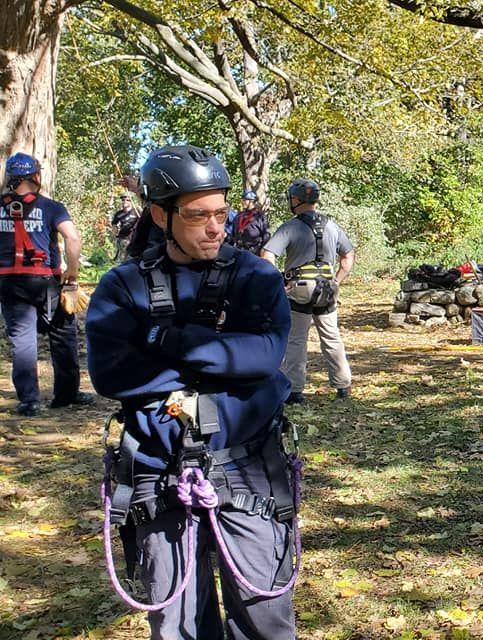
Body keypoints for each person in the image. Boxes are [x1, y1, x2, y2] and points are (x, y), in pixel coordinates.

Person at [86, 144, 298, 638]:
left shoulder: (255, 277)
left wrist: (166, 340)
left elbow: (265, 357)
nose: (215, 227)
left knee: (265, 618)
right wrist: (223, 354)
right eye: (198, 215)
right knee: (177, 623)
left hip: (248, 469)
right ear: (160, 214)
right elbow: (113, 374)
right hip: (159, 476)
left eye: (222, 213)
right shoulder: (122, 287)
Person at [1, 152, 95, 416]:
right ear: (37, 176)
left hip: (9, 280)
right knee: (62, 333)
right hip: (45, 280)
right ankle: (66, 394)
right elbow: (72, 238)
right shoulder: (52, 207)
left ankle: (29, 400)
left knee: (22, 339)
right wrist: (72, 272)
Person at [261, 178, 354, 404]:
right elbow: (348, 256)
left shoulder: (290, 227)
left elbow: (267, 254)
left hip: (300, 289)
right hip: (328, 288)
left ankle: (295, 391)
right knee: (332, 338)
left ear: (295, 200)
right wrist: (338, 281)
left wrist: (279, 283)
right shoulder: (332, 225)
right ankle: (343, 386)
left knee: (297, 340)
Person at [226, 189, 271, 255]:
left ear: (252, 201)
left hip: (255, 253)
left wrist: (263, 253)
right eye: (242, 200)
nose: (242, 202)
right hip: (239, 251)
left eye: (245, 200)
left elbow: (266, 236)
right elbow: (233, 234)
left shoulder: (260, 217)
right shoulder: (239, 216)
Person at [110, 191, 141, 262]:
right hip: (123, 238)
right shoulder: (119, 214)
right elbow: (114, 225)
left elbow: (143, 221)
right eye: (123, 200)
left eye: (127, 200)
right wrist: (114, 234)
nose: (125, 202)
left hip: (134, 239)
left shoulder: (137, 211)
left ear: (131, 201)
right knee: (122, 259)